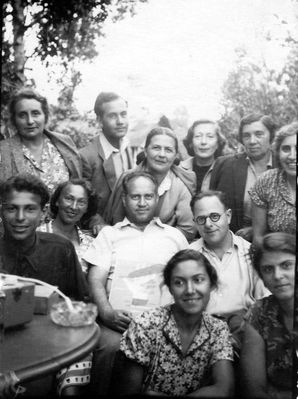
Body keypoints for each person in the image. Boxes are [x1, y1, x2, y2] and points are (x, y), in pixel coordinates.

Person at [83, 171, 188, 395]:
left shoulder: (175, 237)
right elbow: (95, 280)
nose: (142, 203)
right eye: (135, 197)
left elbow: (186, 281)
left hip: (165, 323)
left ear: (157, 199)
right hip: (118, 324)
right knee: (109, 347)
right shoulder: (109, 235)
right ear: (124, 199)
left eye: (148, 196)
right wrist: (107, 313)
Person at [0, 174, 88, 396]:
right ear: (1, 210)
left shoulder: (60, 249)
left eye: (30, 209)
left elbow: (78, 305)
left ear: (43, 212)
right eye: (11, 209)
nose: (20, 217)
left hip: (51, 343)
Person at [116, 249, 234, 397]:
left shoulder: (218, 329)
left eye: (198, 280)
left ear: (211, 284)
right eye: (179, 282)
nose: (190, 290)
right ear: (170, 289)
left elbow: (224, 390)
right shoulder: (145, 325)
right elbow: (129, 392)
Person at [189, 190, 269, 350]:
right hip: (201, 337)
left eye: (215, 216)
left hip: (245, 334)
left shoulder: (251, 253)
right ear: (195, 223)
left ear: (229, 216)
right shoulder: (187, 258)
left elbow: (265, 301)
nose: (208, 224)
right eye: (201, 219)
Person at [104, 127, 196, 241]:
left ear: (175, 155)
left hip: (165, 248)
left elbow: (188, 230)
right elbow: (116, 220)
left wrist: (152, 240)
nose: (162, 154)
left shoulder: (180, 185)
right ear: (146, 150)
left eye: (168, 150)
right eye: (156, 148)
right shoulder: (127, 178)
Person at [240, 232, 295, 399]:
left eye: (286, 265)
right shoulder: (258, 314)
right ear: (262, 278)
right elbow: (255, 389)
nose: (278, 276)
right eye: (268, 269)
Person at [210, 113, 277, 240]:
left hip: (274, 244)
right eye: (246, 135)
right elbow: (211, 207)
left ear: (271, 136)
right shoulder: (225, 165)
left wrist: (257, 229)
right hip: (231, 241)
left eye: (259, 134)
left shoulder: (285, 167)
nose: (252, 141)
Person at [0, 88, 82, 192]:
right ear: (14, 119)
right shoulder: (3, 150)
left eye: (35, 113)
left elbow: (77, 186)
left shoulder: (64, 144)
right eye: (22, 115)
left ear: (45, 116)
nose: (30, 121)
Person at [79, 92, 135, 218]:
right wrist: (95, 220)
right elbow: (81, 201)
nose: (120, 121)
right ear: (99, 120)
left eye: (123, 114)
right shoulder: (86, 157)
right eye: (112, 116)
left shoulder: (134, 150)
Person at [249, 121, 297, 246]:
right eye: (286, 149)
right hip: (276, 259)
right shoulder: (266, 182)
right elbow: (258, 237)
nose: (292, 156)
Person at [38, 179, 98, 274]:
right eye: (69, 199)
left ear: (87, 208)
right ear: (57, 201)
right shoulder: (37, 236)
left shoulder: (91, 244)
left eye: (81, 202)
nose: (74, 207)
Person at [181, 119, 226, 193]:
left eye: (210, 136)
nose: (203, 142)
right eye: (198, 136)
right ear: (190, 143)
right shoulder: (180, 170)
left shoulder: (226, 170)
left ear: (218, 143)